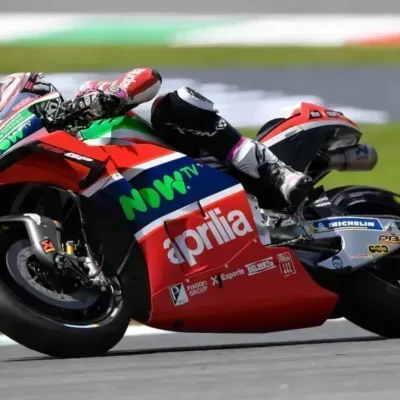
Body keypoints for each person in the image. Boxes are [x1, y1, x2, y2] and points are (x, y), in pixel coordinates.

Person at [0, 70, 312, 209]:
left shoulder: (87, 97)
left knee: (173, 105)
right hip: (133, 201)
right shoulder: (39, 163)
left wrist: (115, 95)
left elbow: (147, 76)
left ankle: (276, 173)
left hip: (184, 168)